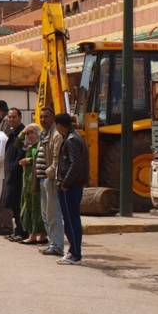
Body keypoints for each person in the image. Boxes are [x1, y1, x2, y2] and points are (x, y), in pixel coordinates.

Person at [55, 113, 89, 265]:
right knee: (70, 219)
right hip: (71, 185)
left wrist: (65, 183)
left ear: (59, 125)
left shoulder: (71, 140)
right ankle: (73, 251)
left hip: (70, 187)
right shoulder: (72, 137)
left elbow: (75, 164)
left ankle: (75, 254)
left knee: (70, 220)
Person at [38, 107, 65, 257]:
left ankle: (57, 246)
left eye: (46, 117)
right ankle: (52, 243)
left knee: (53, 214)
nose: (43, 119)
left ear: (53, 118)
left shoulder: (56, 135)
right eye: (41, 117)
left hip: (51, 179)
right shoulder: (44, 134)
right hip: (42, 179)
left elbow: (56, 159)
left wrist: (50, 173)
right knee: (45, 214)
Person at [19, 124, 47, 244]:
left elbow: (41, 159)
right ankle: (36, 234)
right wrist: (23, 132)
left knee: (36, 208)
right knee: (30, 207)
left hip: (36, 181)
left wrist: (29, 160)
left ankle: (36, 235)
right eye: (27, 133)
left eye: (32, 133)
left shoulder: (40, 145)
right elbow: (17, 143)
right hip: (28, 182)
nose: (29, 135)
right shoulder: (29, 146)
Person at [1, 107, 26, 241]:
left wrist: (13, 169)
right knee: (13, 204)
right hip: (10, 174)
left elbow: (21, 154)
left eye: (14, 117)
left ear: (20, 118)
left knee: (18, 204)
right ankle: (18, 230)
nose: (11, 119)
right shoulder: (13, 133)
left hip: (18, 175)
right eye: (9, 117)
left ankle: (22, 232)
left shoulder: (23, 134)